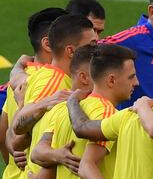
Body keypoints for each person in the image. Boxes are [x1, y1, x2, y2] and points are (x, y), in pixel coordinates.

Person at [30, 44, 137, 179]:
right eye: (131, 77)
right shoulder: (106, 114)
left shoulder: (63, 110)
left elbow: (47, 171)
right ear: (111, 80)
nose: (136, 82)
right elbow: (87, 167)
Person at [9, 14, 97, 176]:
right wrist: (44, 104)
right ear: (70, 51)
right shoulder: (54, 84)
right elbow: (17, 139)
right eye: (91, 44)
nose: (96, 49)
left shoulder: (46, 74)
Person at [0, 8, 67, 179]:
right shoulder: (52, 81)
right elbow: (15, 138)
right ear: (48, 43)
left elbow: (4, 132)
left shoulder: (18, 79)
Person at [28, 44, 96, 179]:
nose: (135, 82)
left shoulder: (62, 105)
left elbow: (36, 152)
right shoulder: (102, 111)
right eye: (130, 77)